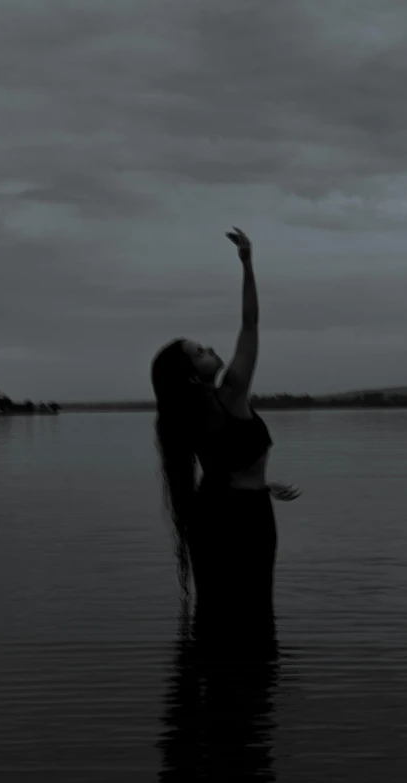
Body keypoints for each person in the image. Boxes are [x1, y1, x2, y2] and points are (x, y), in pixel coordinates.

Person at [151, 228, 301, 638]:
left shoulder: (182, 417)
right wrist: (248, 264)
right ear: (190, 374)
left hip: (214, 513)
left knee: (217, 610)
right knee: (253, 610)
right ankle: (252, 694)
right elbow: (250, 324)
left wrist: (261, 483)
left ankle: (218, 689)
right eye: (200, 352)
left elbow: (222, 466)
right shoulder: (230, 394)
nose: (210, 350)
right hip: (245, 518)